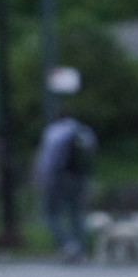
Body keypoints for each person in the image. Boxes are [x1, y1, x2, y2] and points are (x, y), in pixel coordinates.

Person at [32, 112, 100, 263]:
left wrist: (41, 179)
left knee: (50, 213)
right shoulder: (85, 131)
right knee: (77, 213)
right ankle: (80, 248)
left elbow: (47, 159)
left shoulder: (54, 132)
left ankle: (67, 245)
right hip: (80, 178)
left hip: (59, 178)